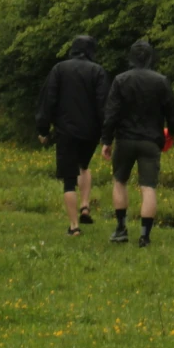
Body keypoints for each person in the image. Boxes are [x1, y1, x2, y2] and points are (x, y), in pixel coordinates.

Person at [100, 38, 174, 246]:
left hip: (125, 139)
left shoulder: (120, 80)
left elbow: (111, 114)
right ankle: (145, 235)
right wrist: (171, 133)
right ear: (151, 57)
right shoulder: (161, 81)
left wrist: (106, 140)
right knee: (148, 186)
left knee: (119, 181)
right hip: (151, 141)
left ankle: (121, 228)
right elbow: (172, 113)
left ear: (131, 58)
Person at [34, 34, 109, 235]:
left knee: (69, 179)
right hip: (90, 132)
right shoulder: (98, 71)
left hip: (66, 131)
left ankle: (74, 226)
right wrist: (106, 135)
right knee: (84, 166)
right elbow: (103, 105)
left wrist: (43, 128)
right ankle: (85, 205)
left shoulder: (59, 69)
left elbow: (48, 99)